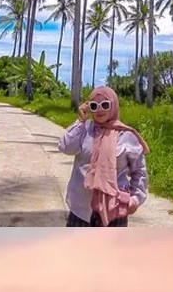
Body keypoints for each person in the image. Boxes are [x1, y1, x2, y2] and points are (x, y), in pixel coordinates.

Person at [57, 86, 149, 227]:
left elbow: (139, 171)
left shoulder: (126, 136)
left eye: (105, 104)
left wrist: (135, 199)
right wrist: (80, 120)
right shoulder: (85, 129)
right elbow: (66, 147)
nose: (99, 109)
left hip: (115, 209)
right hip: (81, 208)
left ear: (114, 105)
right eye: (94, 105)